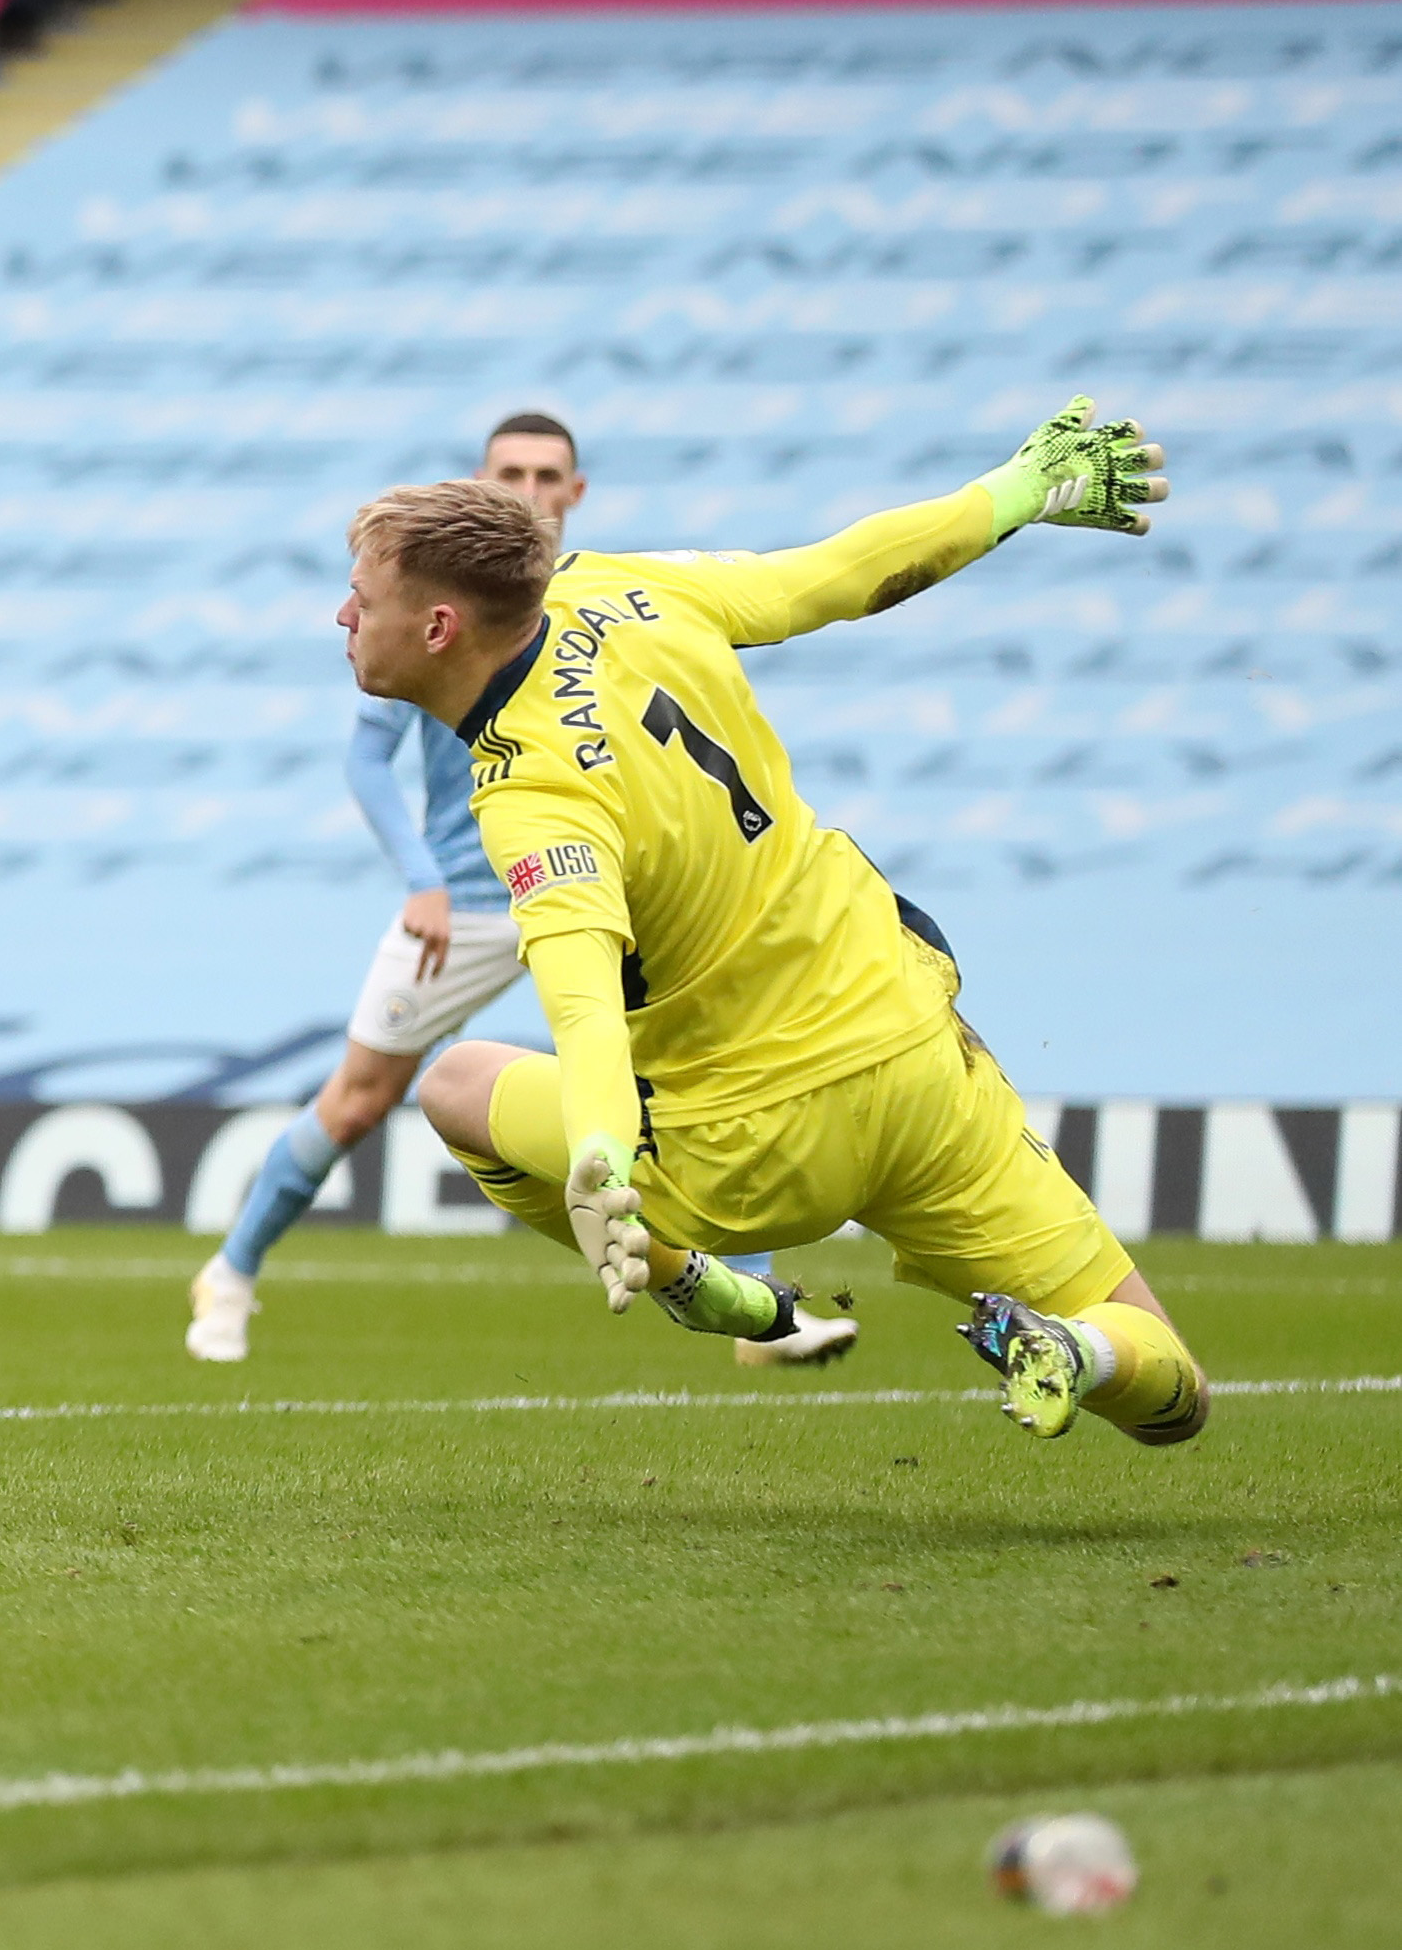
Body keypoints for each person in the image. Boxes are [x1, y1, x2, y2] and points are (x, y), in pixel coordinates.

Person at [342, 400, 1206, 1443]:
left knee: (452, 1084)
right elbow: (837, 575)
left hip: (751, 1146)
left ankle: (693, 1286)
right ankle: (1079, 1351)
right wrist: (1016, 491)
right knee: (1170, 1399)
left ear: (437, 628)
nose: (341, 619)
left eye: (360, 600)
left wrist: (606, 1162)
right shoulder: (623, 589)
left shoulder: (531, 790)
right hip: (915, 1056)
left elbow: (581, 1009)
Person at [191, 415, 853, 1369]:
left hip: (592, 896)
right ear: (482, 477)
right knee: (358, 1098)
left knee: (697, 1067)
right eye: (510, 470)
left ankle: (764, 1311)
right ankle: (230, 1271)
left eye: (548, 474)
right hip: (465, 899)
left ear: (575, 493)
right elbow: (367, 760)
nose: (529, 487)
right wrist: (419, 879)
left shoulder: (596, 602)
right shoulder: (434, 609)